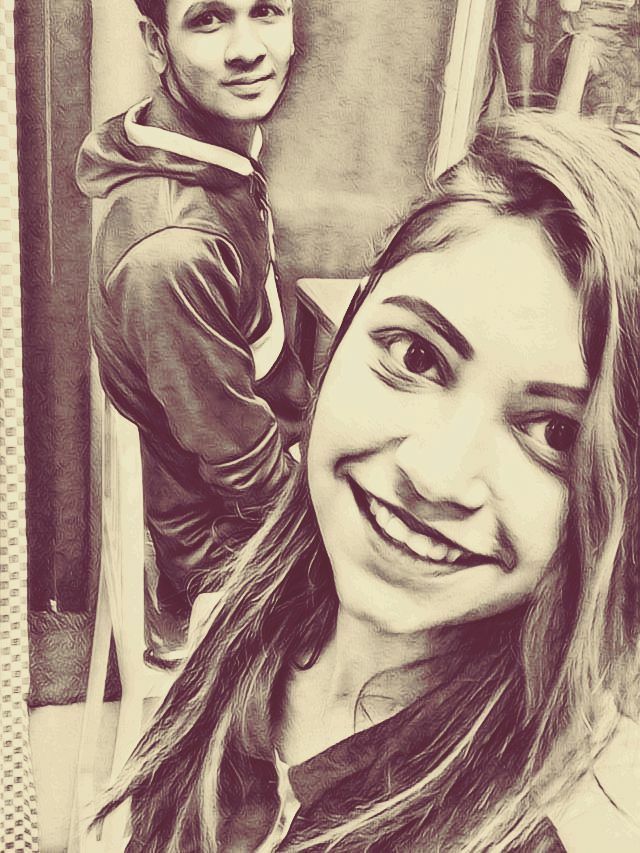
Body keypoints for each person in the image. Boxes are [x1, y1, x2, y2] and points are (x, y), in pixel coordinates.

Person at [97, 111, 640, 851]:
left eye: (556, 433)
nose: (436, 474)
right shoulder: (239, 610)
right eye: (416, 356)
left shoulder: (555, 826)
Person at [76, 0, 310, 618]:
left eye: (267, 11)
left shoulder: (208, 154)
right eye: (208, 19)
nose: (247, 49)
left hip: (267, 471)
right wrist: (329, 534)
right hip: (230, 547)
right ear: (157, 44)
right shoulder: (173, 252)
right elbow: (247, 473)